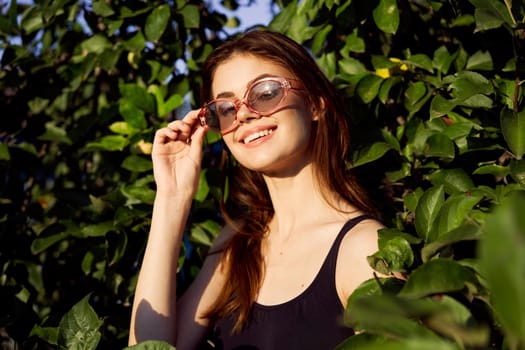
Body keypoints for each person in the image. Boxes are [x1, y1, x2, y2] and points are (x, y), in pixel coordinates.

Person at [128, 29, 383, 350]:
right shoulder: (237, 245)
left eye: (265, 93)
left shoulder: (364, 249)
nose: (245, 113)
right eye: (226, 108)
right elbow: (151, 347)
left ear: (316, 104)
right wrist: (172, 198)